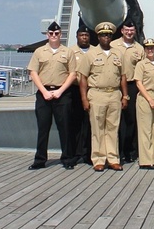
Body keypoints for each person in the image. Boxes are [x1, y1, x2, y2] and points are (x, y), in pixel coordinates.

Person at [26, 21, 77, 170]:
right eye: (51, 33)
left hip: (62, 93)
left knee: (65, 128)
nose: (54, 36)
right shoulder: (39, 52)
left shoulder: (68, 52)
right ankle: (40, 159)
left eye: (56, 33)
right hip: (44, 93)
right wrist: (44, 91)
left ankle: (67, 159)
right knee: (43, 128)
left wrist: (60, 91)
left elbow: (73, 74)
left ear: (60, 35)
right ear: (47, 35)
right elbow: (33, 72)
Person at [78, 21, 127, 171]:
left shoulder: (118, 53)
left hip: (114, 94)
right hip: (97, 94)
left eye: (108, 35)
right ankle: (98, 159)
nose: (106, 37)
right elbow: (83, 78)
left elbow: (123, 76)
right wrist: (84, 99)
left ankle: (113, 158)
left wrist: (125, 96)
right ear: (98, 37)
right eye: (103, 35)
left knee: (113, 128)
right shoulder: (91, 54)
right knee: (97, 128)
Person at [133, 38, 154, 169]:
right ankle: (146, 161)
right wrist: (150, 100)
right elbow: (138, 83)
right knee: (145, 130)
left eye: (152, 47)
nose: (150, 50)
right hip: (145, 98)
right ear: (144, 50)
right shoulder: (141, 64)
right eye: (147, 48)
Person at [116, 20, 144, 164]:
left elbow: (143, 69)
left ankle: (131, 151)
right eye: (126, 30)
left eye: (131, 30)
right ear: (122, 30)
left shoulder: (139, 48)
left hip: (133, 86)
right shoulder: (113, 45)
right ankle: (117, 151)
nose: (129, 32)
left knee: (131, 120)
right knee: (116, 121)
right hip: (116, 87)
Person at [67, 24, 93, 165]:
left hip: (92, 90)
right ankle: (75, 153)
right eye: (82, 35)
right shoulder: (70, 52)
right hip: (75, 90)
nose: (84, 37)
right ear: (77, 36)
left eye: (87, 35)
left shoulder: (95, 51)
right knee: (75, 122)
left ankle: (88, 153)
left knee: (90, 124)